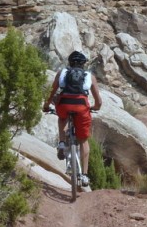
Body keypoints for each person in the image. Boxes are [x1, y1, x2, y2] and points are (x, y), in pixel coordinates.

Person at [42, 50, 102, 187]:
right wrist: (95, 107)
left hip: (64, 103)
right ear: (83, 64)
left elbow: (52, 92)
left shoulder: (61, 73)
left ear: (70, 62)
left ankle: (62, 142)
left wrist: (46, 105)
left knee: (62, 118)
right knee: (83, 140)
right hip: (81, 106)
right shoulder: (89, 76)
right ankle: (85, 176)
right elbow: (98, 101)